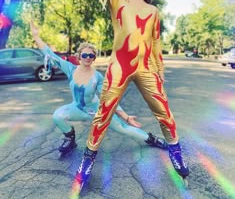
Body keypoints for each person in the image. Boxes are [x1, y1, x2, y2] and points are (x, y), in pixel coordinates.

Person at [75, 0, 189, 190]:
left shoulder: (153, 12)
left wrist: (159, 73)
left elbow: (157, 43)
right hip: (119, 66)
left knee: (164, 112)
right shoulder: (118, 1)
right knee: (103, 112)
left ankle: (175, 152)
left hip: (147, 67)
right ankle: (88, 159)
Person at [30, 21, 168, 157]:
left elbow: (108, 98)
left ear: (94, 58)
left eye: (91, 56)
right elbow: (50, 54)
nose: (88, 58)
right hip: (77, 108)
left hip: (96, 111)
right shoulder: (70, 69)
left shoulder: (97, 77)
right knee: (57, 116)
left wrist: (125, 116)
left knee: (122, 128)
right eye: (84, 55)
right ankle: (70, 139)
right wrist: (36, 37)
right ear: (79, 57)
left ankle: (152, 139)